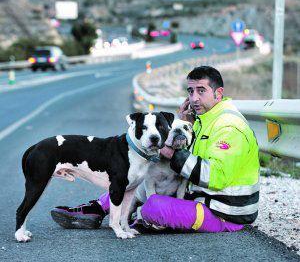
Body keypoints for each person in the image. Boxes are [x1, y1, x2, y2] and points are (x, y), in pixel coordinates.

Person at [51, 66, 260, 233]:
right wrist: (181, 124)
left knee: (153, 206)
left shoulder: (229, 126)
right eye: (190, 91)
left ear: (218, 93)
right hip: (200, 199)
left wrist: (173, 153)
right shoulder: (202, 120)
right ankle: (97, 209)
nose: (194, 98)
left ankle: (140, 216)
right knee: (137, 178)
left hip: (224, 212)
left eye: (201, 91)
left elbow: (215, 176)